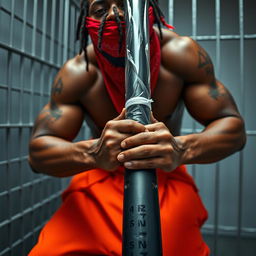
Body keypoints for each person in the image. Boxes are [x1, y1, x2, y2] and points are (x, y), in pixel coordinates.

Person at [28, 0, 246, 255]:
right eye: (100, 10)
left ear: (148, 10)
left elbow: (234, 129)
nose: (114, 14)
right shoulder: (79, 73)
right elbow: (38, 153)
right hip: (101, 175)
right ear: (87, 21)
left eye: (125, 4)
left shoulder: (181, 54)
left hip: (164, 174)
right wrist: (93, 153)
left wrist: (180, 148)